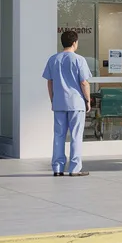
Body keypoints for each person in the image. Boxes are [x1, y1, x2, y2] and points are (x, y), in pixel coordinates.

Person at [42, 30, 92, 176]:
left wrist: (53, 99)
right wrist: (88, 100)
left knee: (59, 135)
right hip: (76, 103)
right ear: (74, 42)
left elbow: (49, 83)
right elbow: (84, 82)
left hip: (59, 103)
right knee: (76, 135)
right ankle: (75, 169)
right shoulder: (79, 59)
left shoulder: (53, 59)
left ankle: (57, 168)